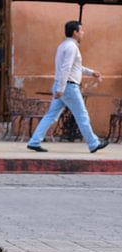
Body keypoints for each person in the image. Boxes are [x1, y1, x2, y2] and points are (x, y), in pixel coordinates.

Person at [27, 21, 108, 154]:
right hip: (68, 87)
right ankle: (94, 143)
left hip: (62, 85)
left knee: (51, 115)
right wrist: (61, 88)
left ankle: (34, 141)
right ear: (75, 32)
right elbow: (66, 68)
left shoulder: (63, 46)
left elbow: (74, 67)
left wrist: (91, 72)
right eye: (81, 30)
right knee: (82, 115)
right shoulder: (72, 47)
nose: (83, 33)